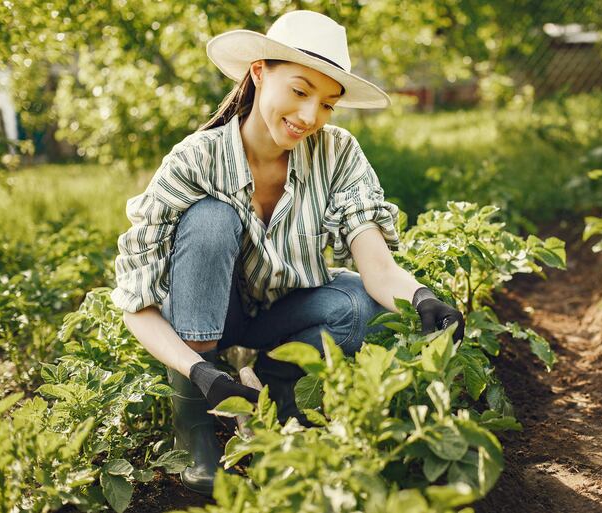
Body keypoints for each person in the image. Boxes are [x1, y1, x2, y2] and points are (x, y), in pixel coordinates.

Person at [111, 10, 465, 496]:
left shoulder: (336, 153)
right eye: (300, 92)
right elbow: (136, 301)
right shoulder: (196, 159)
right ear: (258, 72)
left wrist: (425, 298)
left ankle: (274, 388)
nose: (310, 117)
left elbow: (378, 269)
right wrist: (198, 370)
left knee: (362, 308)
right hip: (209, 321)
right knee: (212, 218)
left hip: (280, 312)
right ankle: (195, 422)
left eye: (327, 104)